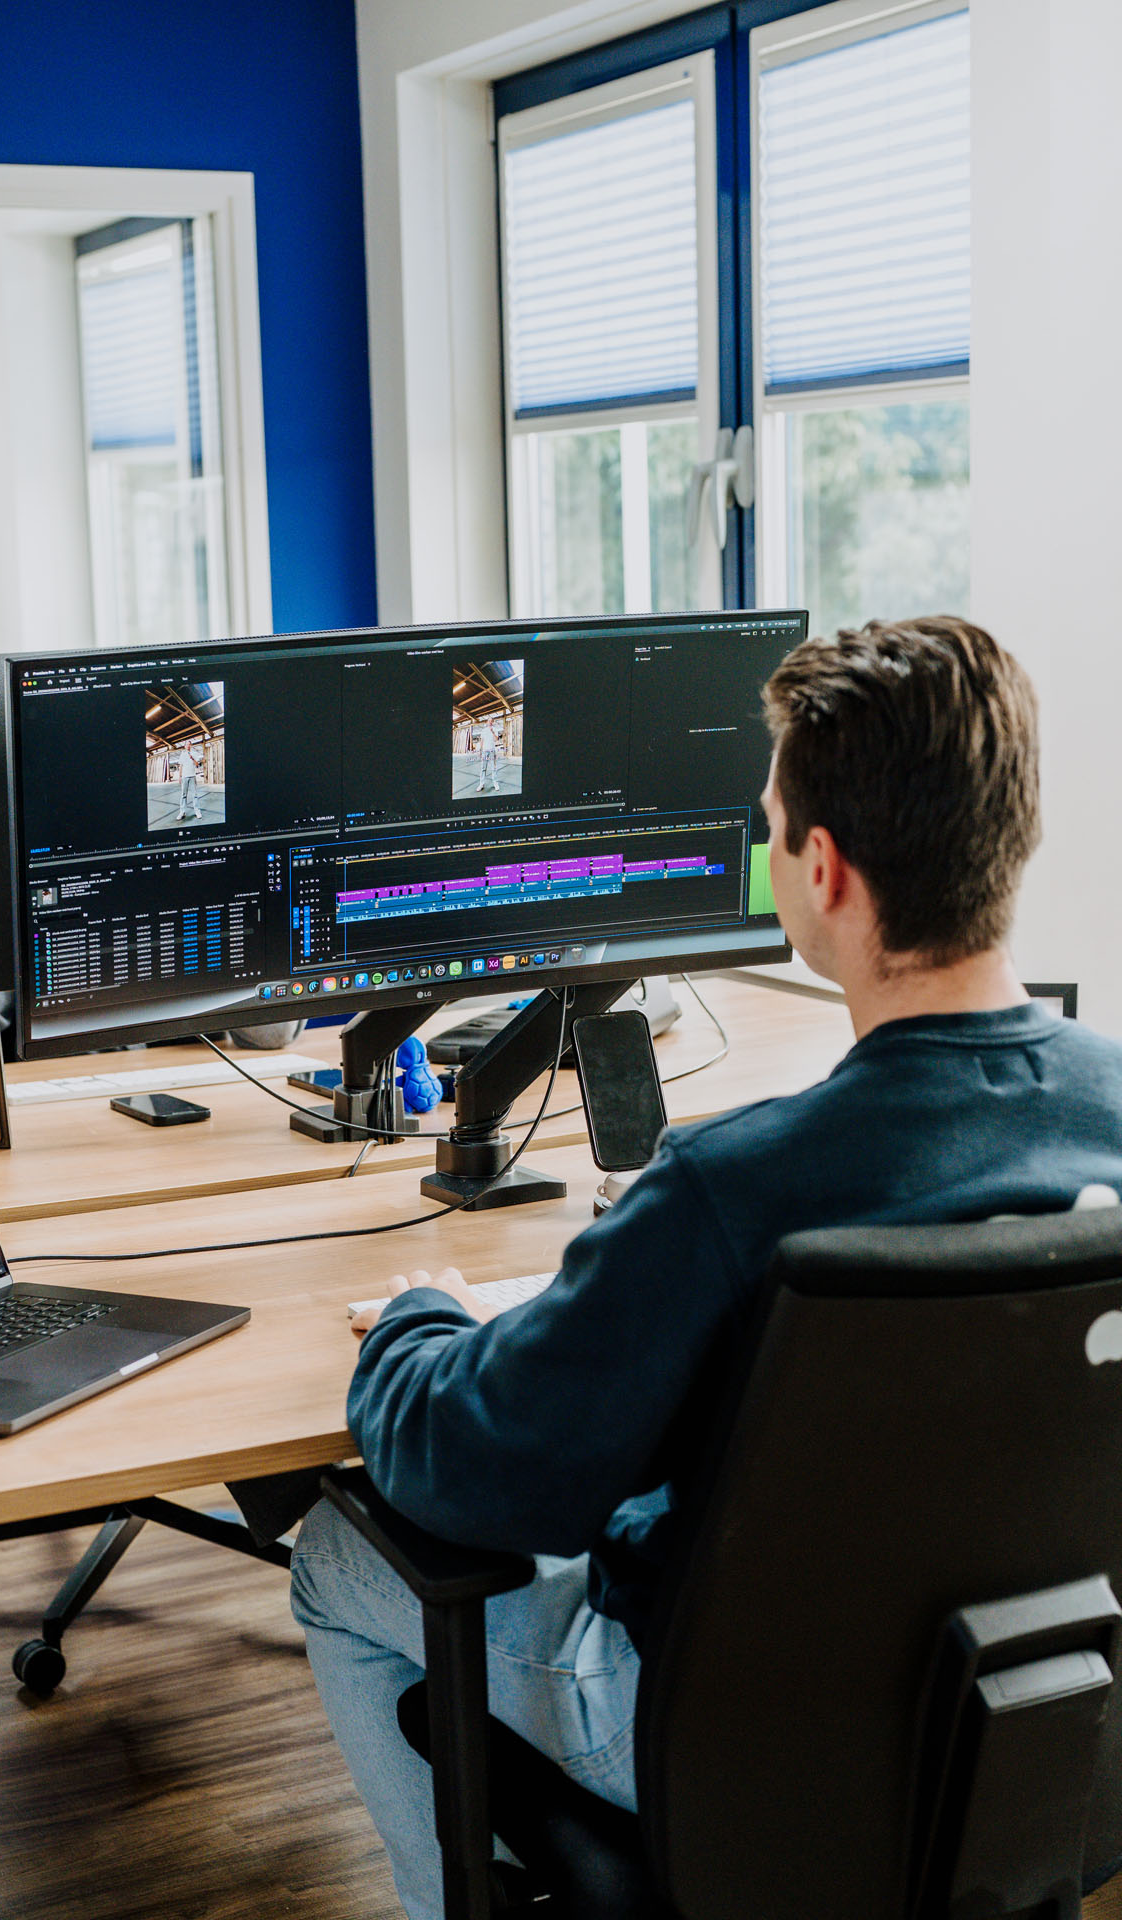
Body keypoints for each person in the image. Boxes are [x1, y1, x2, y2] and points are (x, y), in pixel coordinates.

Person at [288, 618, 1122, 1920]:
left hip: (733, 1732)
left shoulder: (736, 1188)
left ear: (825, 870)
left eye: (769, 818)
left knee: (338, 1560)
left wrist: (416, 1326)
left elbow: (485, 1470)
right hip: (1053, 1711)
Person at [175, 743, 202, 821]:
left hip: (192, 776)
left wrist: (192, 758)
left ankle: (197, 811)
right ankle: (182, 812)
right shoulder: (182, 754)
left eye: (189, 744)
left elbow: (197, 764)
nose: (188, 746)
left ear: (191, 745)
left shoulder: (194, 753)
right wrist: (180, 776)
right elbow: (181, 766)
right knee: (183, 795)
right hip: (184, 777)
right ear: (184, 746)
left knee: (195, 795)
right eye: (187, 745)